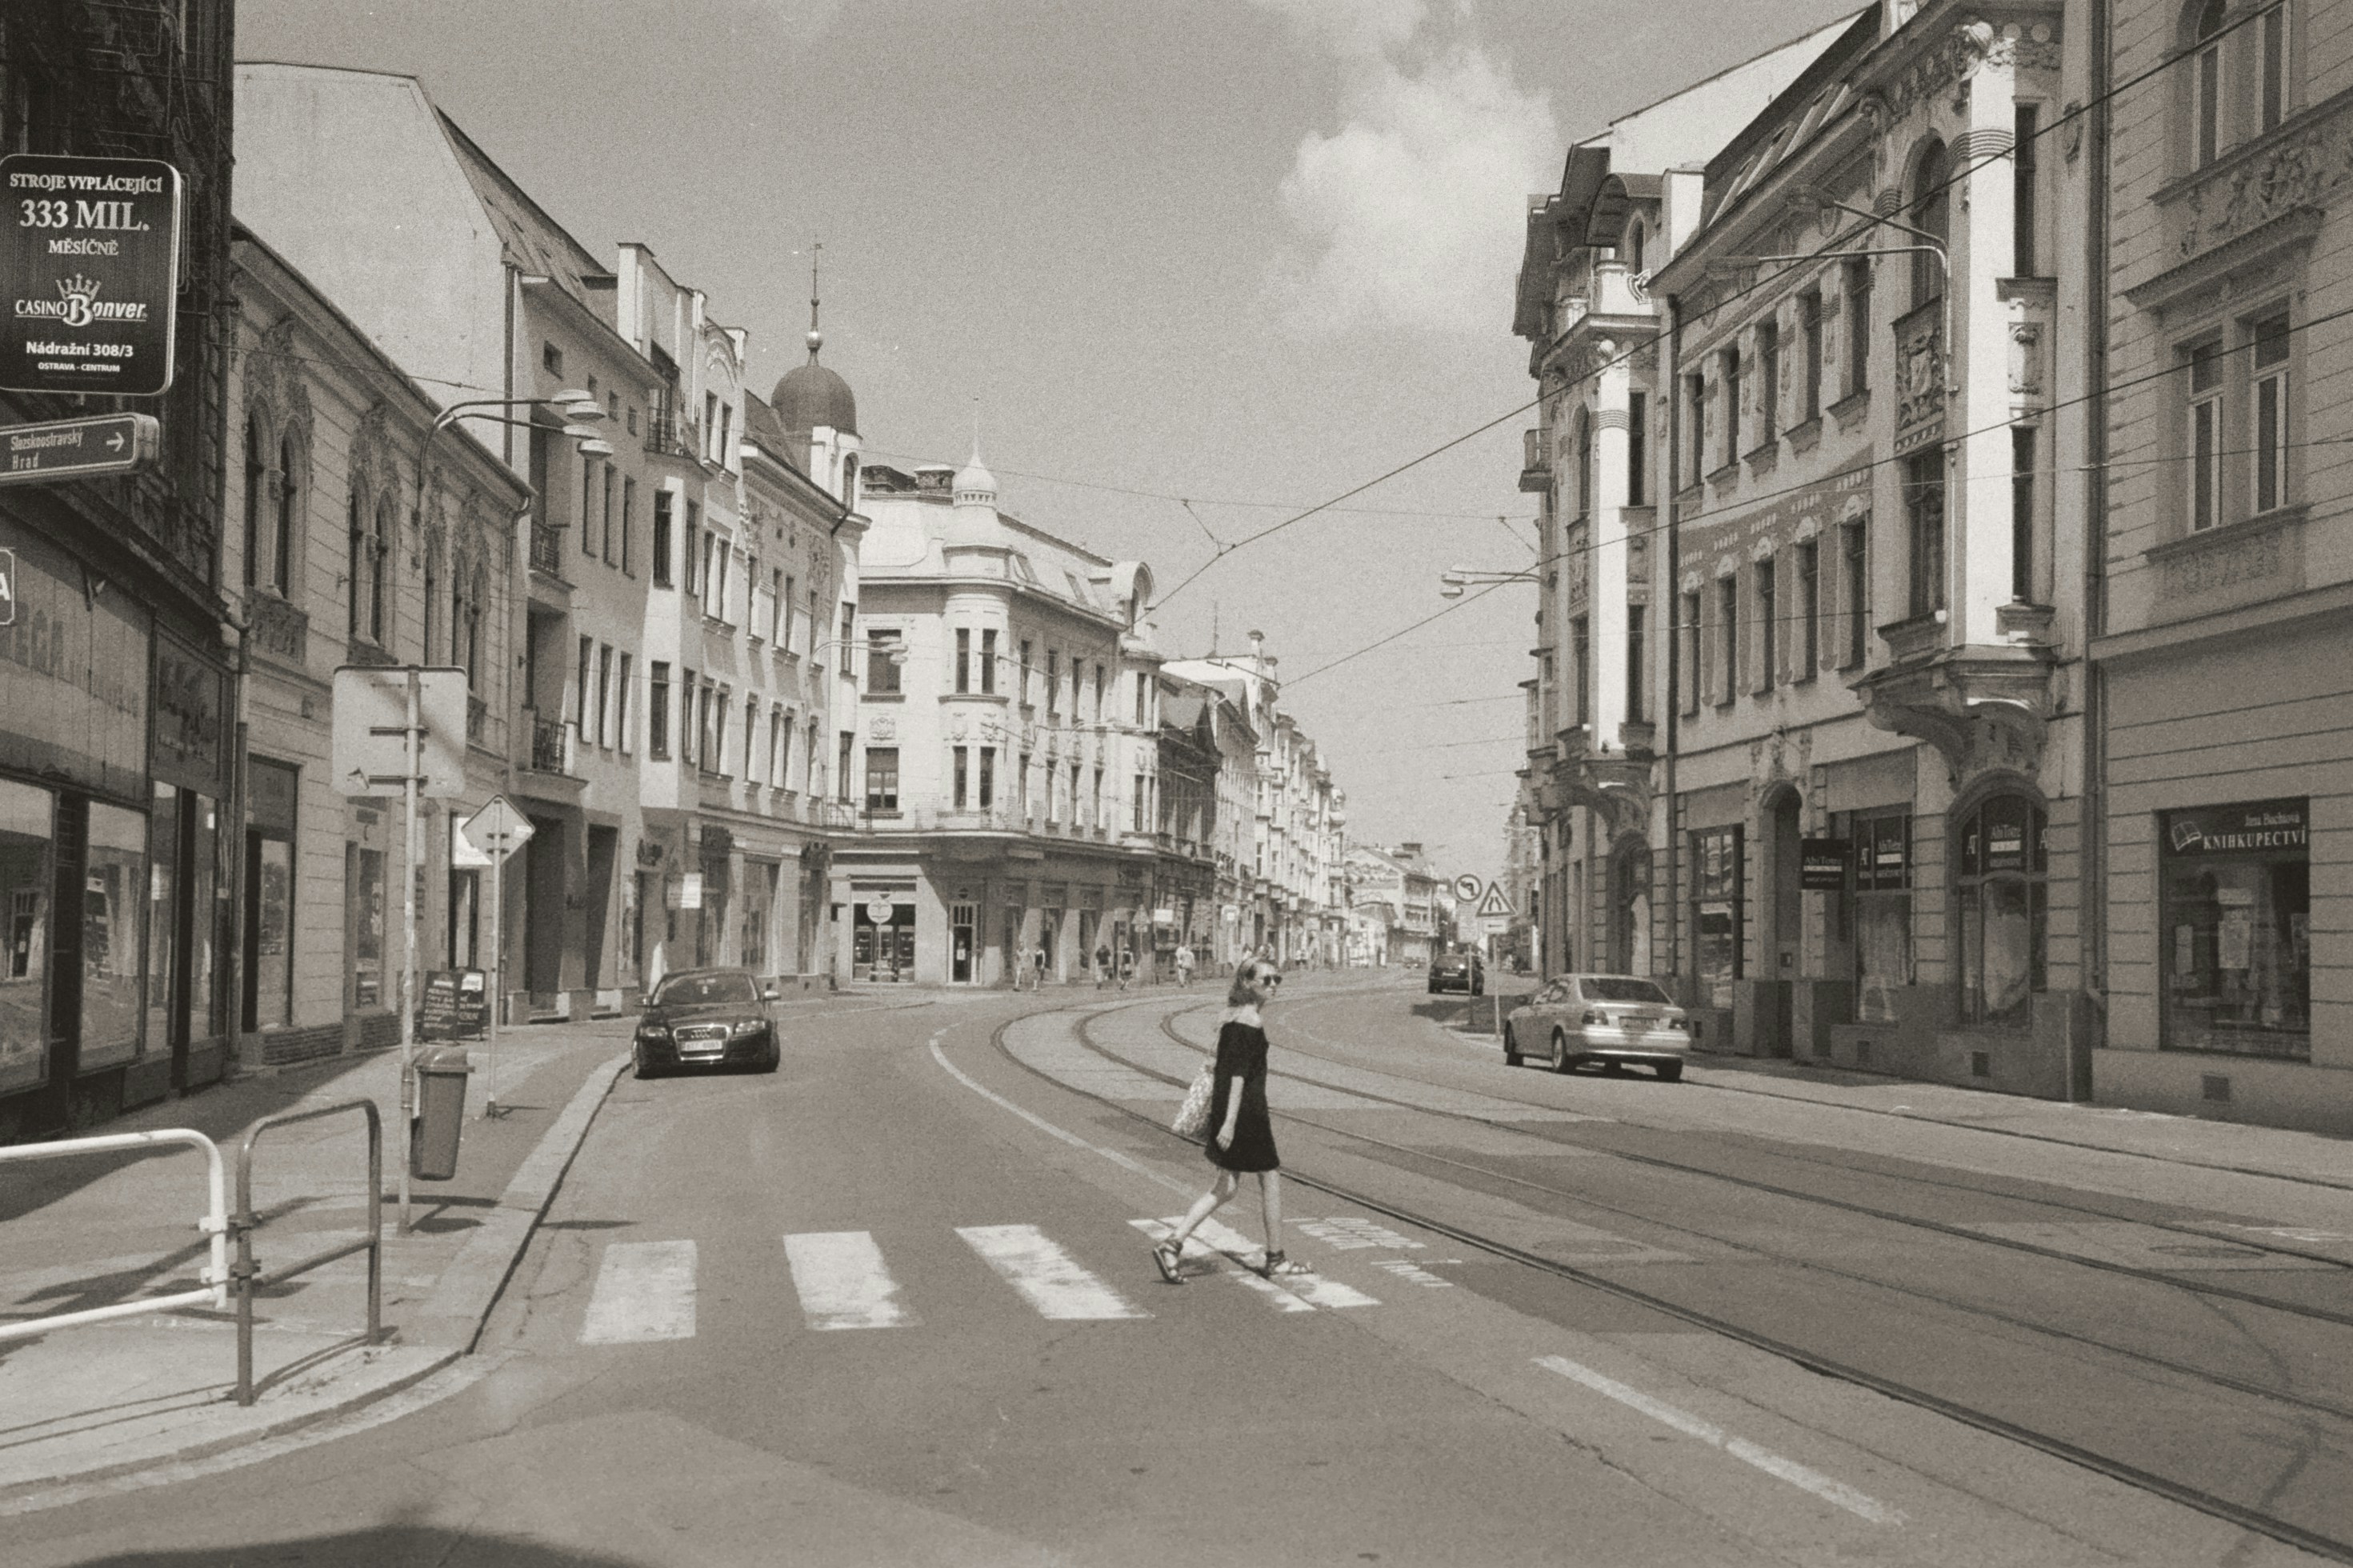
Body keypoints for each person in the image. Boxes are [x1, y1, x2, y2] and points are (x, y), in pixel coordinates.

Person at [1152, 961, 1311, 1282]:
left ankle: (1173, 1243)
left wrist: (1225, 1118)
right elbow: (1238, 1075)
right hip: (1247, 1113)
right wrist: (1229, 1123)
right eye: (1266, 979)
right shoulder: (1250, 1021)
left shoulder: (1231, 1018)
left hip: (1232, 1110)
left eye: (1276, 978)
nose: (1273, 984)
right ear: (1248, 983)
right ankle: (1276, 1258)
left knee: (1226, 1187)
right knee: (1269, 1177)